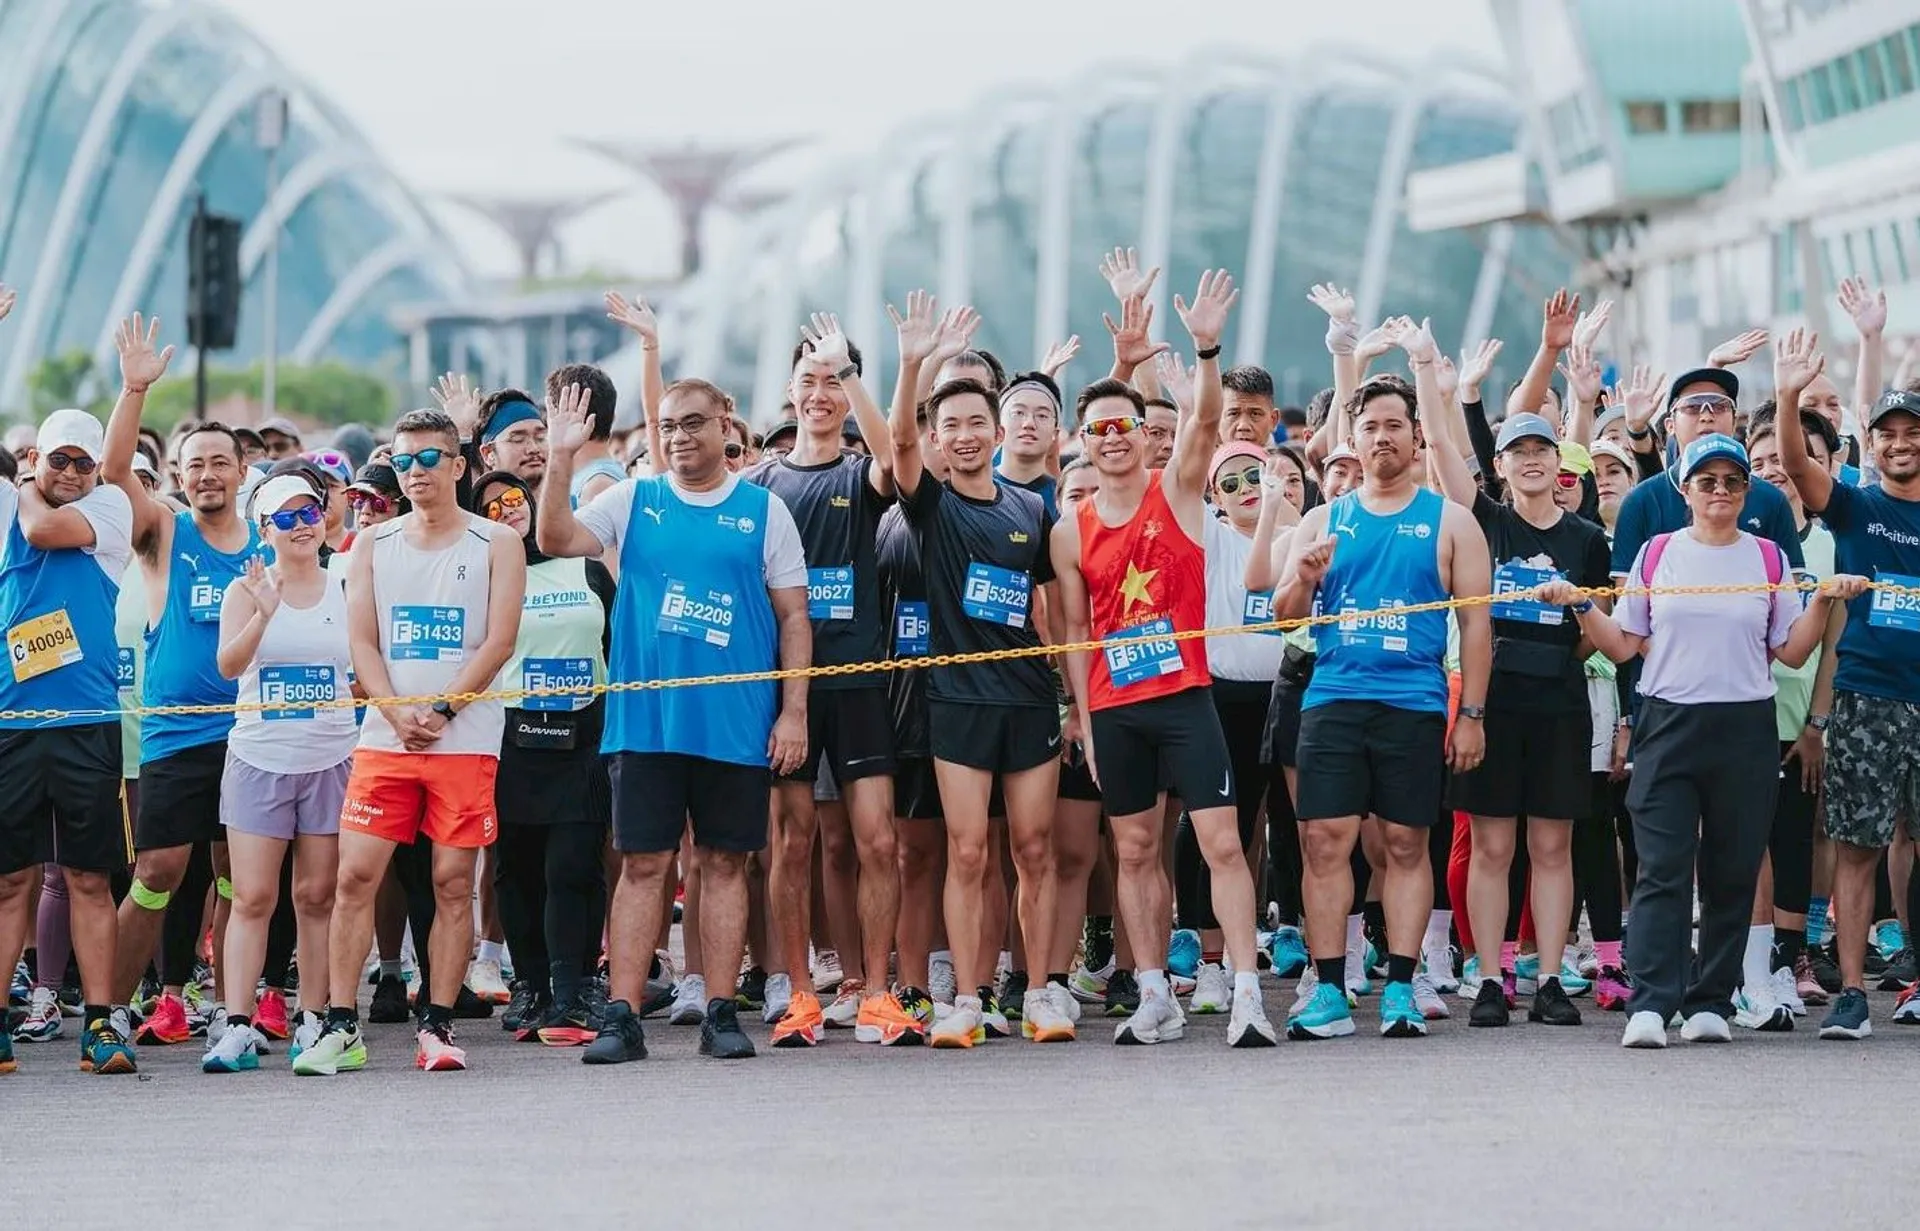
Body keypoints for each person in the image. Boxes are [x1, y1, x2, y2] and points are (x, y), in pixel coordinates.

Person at [1538, 433, 1857, 1048]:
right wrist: (1581, 606)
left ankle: (1711, 999)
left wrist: (1820, 601)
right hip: (1668, 721)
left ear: (1746, 491)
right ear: (1684, 490)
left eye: (1732, 482)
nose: (1720, 492)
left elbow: (1791, 649)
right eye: (1706, 481)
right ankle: (1653, 1003)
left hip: (1744, 724)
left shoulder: (1766, 557)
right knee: (1661, 865)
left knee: (1733, 868)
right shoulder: (1657, 554)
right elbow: (1624, 643)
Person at [538, 377, 810, 1065]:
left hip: (736, 723)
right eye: (669, 424)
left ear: (726, 426)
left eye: (695, 422)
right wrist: (561, 457)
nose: (682, 435)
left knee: (723, 863)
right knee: (643, 864)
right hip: (646, 721)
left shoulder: (763, 511)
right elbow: (554, 535)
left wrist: (794, 712)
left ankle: (720, 1010)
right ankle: (623, 1015)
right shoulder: (634, 499)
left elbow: (794, 616)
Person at [1052, 271, 1277, 1048]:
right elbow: (1076, 633)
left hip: (1186, 696)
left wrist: (1205, 348)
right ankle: (1154, 991)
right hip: (1115, 708)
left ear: (1141, 433)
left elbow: (1208, 419)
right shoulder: (1069, 527)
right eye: (1099, 429)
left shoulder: (1178, 488)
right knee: (1136, 848)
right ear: (1080, 441)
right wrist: (1082, 720)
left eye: (1124, 426)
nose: (1113, 438)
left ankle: (1246, 989)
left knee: (1221, 843)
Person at [292, 409, 525, 1076]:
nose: (416, 471)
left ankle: (440, 1022)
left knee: (453, 882)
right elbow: (361, 640)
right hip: (387, 739)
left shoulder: (495, 542)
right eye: (405, 460)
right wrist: (397, 713)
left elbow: (498, 639)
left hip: (466, 738)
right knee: (355, 877)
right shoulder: (372, 543)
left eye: (430, 458)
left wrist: (445, 709)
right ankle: (341, 1023)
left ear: (458, 465)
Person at [1270, 370, 1492, 1041]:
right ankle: (1331, 987)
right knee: (1323, 841)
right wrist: (1303, 581)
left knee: (1405, 841)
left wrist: (1472, 714)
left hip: (1416, 703)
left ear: (1417, 436)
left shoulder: (1450, 521)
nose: (1382, 436)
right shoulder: (1322, 519)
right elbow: (1283, 618)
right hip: (1334, 699)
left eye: (1395, 424)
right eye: (1369, 426)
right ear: (1352, 438)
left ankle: (1399, 983)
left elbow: (1478, 626)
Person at [1410, 323, 1612, 1030]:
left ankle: (1551, 976)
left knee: (1551, 847)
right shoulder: (1484, 521)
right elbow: (1439, 449)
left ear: (1561, 464)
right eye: (1518, 451)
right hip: (1494, 703)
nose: (1530, 461)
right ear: (1500, 463)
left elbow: (1603, 636)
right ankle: (1491, 975)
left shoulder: (1588, 539)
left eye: (1541, 451)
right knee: (1492, 845)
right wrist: (1431, 374)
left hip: (1560, 701)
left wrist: (1576, 602)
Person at [889, 292, 1073, 1046]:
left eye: (976, 424)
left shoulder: (1033, 509)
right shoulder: (929, 505)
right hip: (956, 699)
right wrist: (912, 364)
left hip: (1029, 701)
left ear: (998, 433)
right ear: (937, 437)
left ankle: (1036, 992)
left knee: (1034, 849)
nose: (964, 436)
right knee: (966, 850)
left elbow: (1063, 616)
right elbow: (897, 441)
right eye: (950, 425)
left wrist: (1074, 699)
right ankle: (964, 998)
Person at [742, 314, 918, 1047]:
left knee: (879, 842)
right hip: (783, 693)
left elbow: (898, 453)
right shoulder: (758, 485)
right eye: (808, 379)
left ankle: (878, 991)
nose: (820, 394)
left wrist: (853, 371)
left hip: (856, 685)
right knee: (791, 845)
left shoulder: (860, 472)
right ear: (788, 392)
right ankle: (801, 992)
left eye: (834, 382)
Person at [113, 326, 268, 1047]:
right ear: (177, 476)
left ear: (242, 470)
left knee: (240, 875)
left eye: (218, 462)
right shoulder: (166, 534)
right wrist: (135, 388)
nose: (206, 474)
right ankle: (108, 1010)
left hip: (253, 735)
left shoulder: (271, 542)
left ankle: (233, 1007)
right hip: (177, 734)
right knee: (158, 871)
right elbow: (116, 475)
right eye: (192, 465)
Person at [1770, 329, 1920, 1042]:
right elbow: (1797, 466)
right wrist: (1790, 394)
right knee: (1858, 847)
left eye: (1911, 432)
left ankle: (1914, 981)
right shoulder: (1857, 506)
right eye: (1887, 433)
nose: (1899, 443)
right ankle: (1854, 993)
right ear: (1873, 442)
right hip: (1867, 698)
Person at [0, 392, 141, 1076]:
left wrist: (27, 484)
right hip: (12, 723)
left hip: (88, 725)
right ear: (36, 456)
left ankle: (100, 1024)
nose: (74, 472)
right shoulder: (10, 502)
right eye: (59, 460)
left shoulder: (107, 507)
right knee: (9, 882)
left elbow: (43, 533)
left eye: (84, 462)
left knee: (89, 878)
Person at [202, 474, 356, 1072]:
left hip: (332, 757)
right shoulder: (248, 587)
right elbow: (226, 666)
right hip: (260, 759)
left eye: (310, 513)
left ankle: (314, 1016)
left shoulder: (346, 582)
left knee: (317, 897)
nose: (302, 526)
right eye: (286, 518)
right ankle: (237, 1022)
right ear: (265, 530)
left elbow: (362, 661)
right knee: (253, 896)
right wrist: (263, 614)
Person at [468, 470, 616, 1045]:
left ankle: (576, 984)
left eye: (514, 500)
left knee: (574, 865)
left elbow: (617, 648)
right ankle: (531, 985)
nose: (508, 511)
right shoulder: (481, 576)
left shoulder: (587, 567)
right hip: (507, 738)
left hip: (583, 736)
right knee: (516, 869)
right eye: (491, 506)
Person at [1178, 441, 1294, 1015]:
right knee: (1225, 834)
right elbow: (1187, 463)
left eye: (1257, 474)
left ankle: (1317, 957)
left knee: (1299, 831)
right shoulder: (1212, 538)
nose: (1246, 486)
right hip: (1227, 697)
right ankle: (1210, 963)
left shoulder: (1302, 530)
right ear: (1214, 497)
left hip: (1293, 692)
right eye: (1231, 481)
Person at [1741, 405, 1843, 1025]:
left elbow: (1831, 645)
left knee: (1797, 834)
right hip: (1745, 716)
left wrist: (1816, 725)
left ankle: (1794, 952)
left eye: (1781, 460)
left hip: (1803, 717)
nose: (1770, 472)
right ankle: (1752, 957)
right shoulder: (1738, 544)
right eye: (1756, 463)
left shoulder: (1831, 543)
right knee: (1750, 840)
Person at [1610, 366, 1805, 578]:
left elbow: (1790, 591)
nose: (1706, 416)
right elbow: (1627, 600)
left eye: (1719, 406)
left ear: (1734, 420)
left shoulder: (1771, 500)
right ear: (1670, 425)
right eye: (1692, 407)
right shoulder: (1640, 502)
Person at [476, 391, 550, 495]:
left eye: (540, 438)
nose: (533, 449)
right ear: (488, 453)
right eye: (518, 439)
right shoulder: (476, 509)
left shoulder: (573, 506)